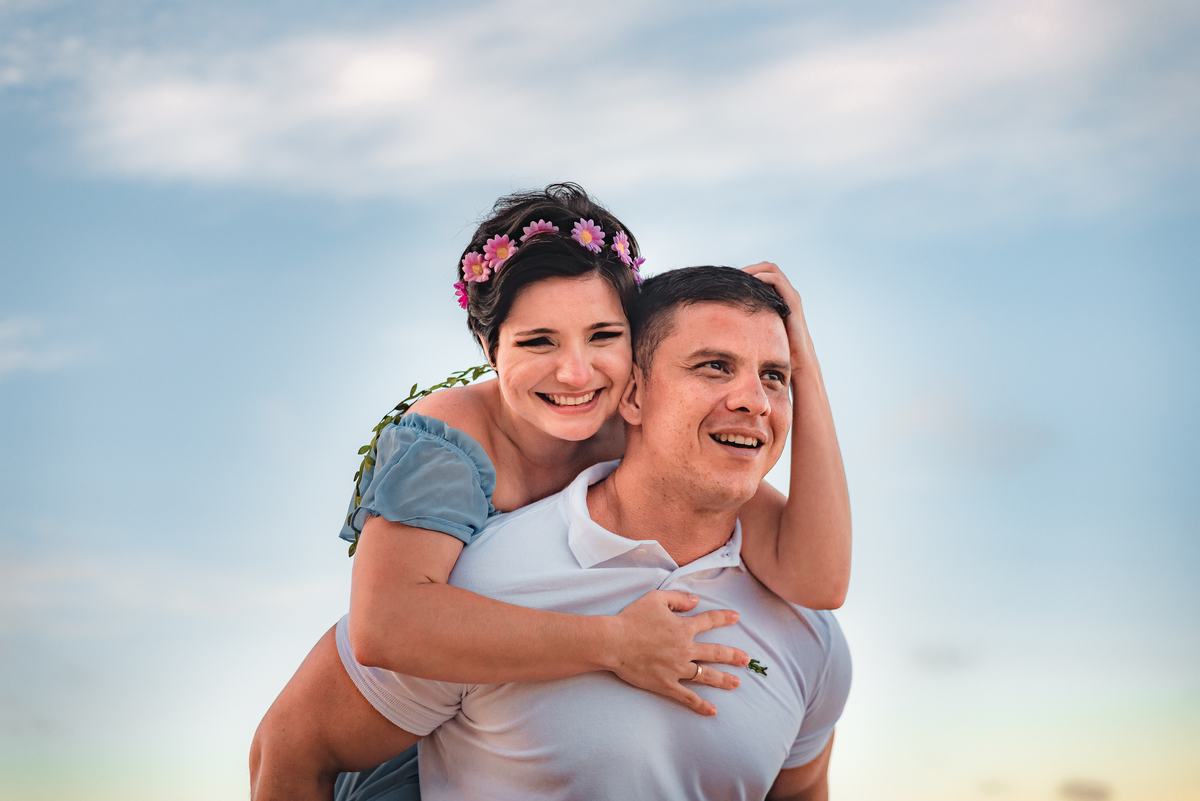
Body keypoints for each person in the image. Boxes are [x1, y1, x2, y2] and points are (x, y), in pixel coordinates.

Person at [250, 185, 851, 797]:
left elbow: (819, 578)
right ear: (489, 349)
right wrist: (615, 642)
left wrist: (804, 365)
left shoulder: (643, 425)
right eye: (539, 341)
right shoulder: (448, 445)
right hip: (417, 728)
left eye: (602, 336)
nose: (576, 373)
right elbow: (385, 626)